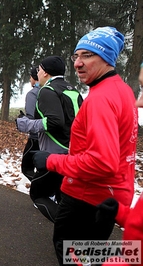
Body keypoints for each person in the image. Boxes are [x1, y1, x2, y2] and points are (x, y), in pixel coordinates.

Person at [32, 27, 137, 265]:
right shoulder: (122, 90)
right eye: (76, 56)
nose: (78, 63)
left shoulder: (100, 99)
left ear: (107, 57)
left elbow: (102, 162)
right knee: (92, 258)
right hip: (110, 195)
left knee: (74, 258)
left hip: (87, 198)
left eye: (87, 55)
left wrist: (50, 160)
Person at [16, 56, 83, 223]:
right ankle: (72, 230)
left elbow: (54, 121)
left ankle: (69, 229)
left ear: (45, 72)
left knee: (37, 194)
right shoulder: (72, 89)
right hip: (74, 149)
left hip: (55, 151)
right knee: (63, 195)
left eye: (38, 69)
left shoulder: (47, 90)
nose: (37, 72)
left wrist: (26, 124)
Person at [18, 66, 40, 180]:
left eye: (30, 77)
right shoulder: (52, 91)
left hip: (36, 138)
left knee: (27, 169)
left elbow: (32, 117)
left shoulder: (33, 94)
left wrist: (22, 119)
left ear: (34, 77)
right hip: (53, 139)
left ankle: (43, 193)